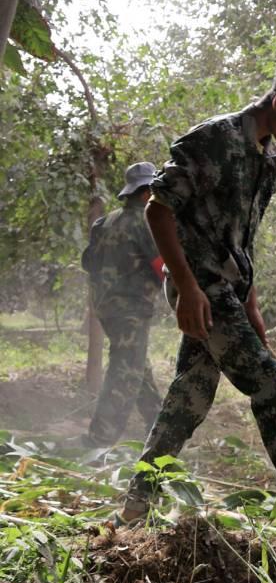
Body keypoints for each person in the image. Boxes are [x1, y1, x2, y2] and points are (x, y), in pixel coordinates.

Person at [113, 60, 276, 540]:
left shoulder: (269, 159)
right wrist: (188, 289)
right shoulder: (212, 140)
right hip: (202, 289)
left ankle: (135, 503)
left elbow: (243, 239)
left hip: (228, 292)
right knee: (269, 383)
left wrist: (251, 307)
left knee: (187, 400)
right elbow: (158, 209)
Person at [80, 162, 164, 447]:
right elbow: (161, 267)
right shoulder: (147, 221)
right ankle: (99, 440)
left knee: (137, 366)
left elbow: (88, 263)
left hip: (105, 308)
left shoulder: (104, 223)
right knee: (125, 372)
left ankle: (162, 433)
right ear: (145, 194)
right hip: (131, 310)